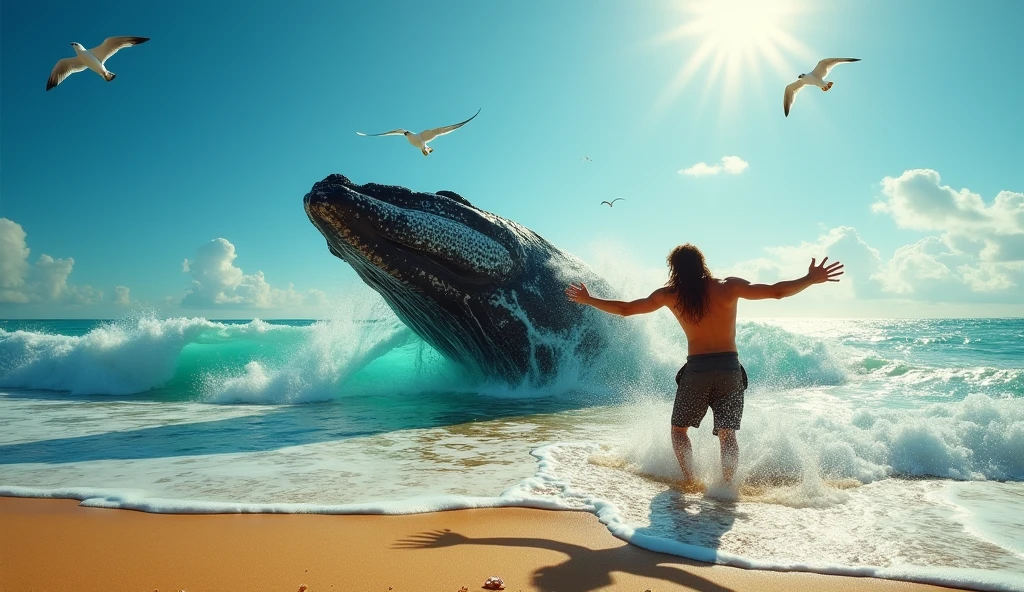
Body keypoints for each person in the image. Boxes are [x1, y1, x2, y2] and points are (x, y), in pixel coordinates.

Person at [565, 244, 843, 489]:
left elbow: (626, 310)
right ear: (702, 263)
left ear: (674, 268)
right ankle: (726, 486)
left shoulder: (670, 295)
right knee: (727, 434)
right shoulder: (728, 286)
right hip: (730, 370)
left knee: (678, 431)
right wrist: (810, 279)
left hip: (697, 371)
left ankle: (690, 480)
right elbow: (777, 292)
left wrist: (589, 300)